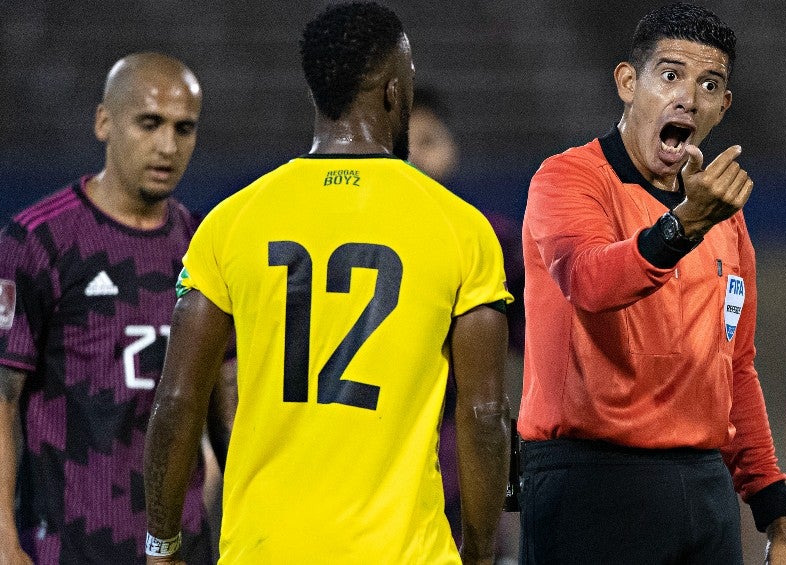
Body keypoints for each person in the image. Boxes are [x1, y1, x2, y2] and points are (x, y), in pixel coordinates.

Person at [143, 3, 513, 564]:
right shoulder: (459, 228)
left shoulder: (232, 221)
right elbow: (484, 418)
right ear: (395, 91)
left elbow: (176, 402)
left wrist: (162, 544)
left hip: (263, 549)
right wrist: (482, 554)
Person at [518, 4, 786, 564]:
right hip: (592, 482)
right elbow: (591, 281)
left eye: (709, 84)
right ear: (629, 83)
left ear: (723, 107)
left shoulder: (726, 220)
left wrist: (777, 521)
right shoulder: (569, 179)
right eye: (670, 75)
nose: (688, 98)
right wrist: (684, 227)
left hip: (704, 492)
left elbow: (736, 369)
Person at [0, 52, 234, 564]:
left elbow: (227, 400)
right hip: (68, 548)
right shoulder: (37, 242)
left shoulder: (207, 247)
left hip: (179, 550)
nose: (167, 145)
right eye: (149, 124)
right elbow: (2, 398)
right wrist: (2, 541)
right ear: (104, 122)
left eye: (184, 128)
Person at [409, 85, 524, 562]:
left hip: (459, 477)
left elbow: (545, 349)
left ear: (453, 148)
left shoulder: (489, 240)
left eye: (429, 141)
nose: (415, 157)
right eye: (404, 144)